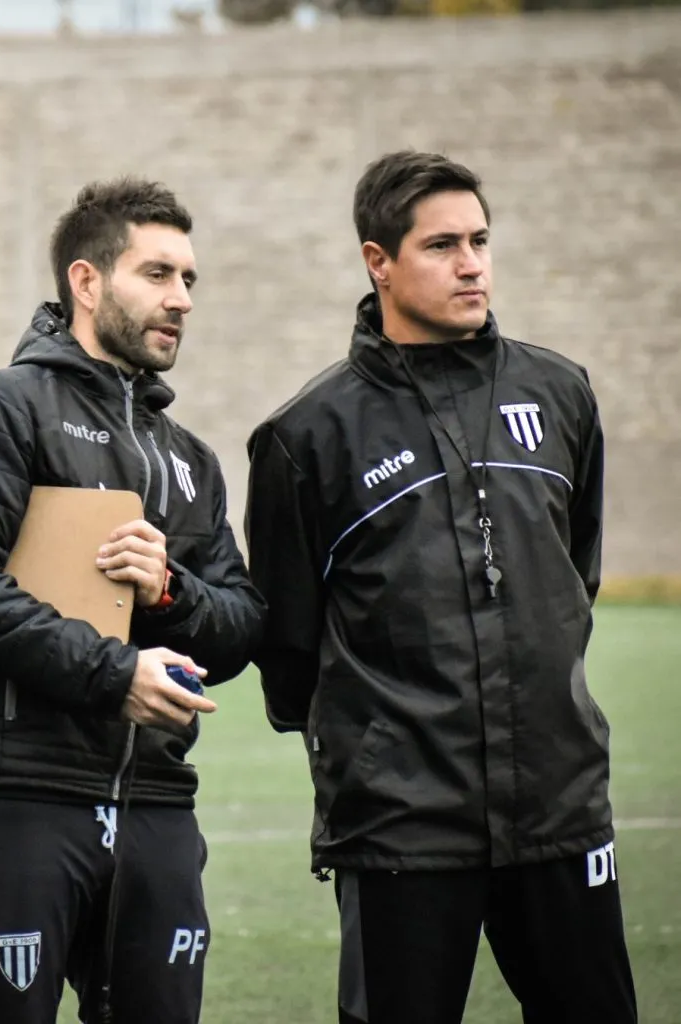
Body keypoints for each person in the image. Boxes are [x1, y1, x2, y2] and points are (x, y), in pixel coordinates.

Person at [244, 150, 637, 1024]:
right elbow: (289, 649)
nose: (471, 264)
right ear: (376, 261)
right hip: (400, 826)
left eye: (480, 240)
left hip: (558, 805)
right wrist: (383, 751)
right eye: (441, 246)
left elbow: (576, 576)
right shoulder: (306, 434)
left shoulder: (559, 391)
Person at [0, 176, 265, 1024]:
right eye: (156, 274)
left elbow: (242, 625)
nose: (180, 299)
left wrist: (170, 589)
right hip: (15, 792)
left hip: (157, 800)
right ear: (86, 281)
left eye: (188, 280)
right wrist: (114, 675)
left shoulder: (191, 458)